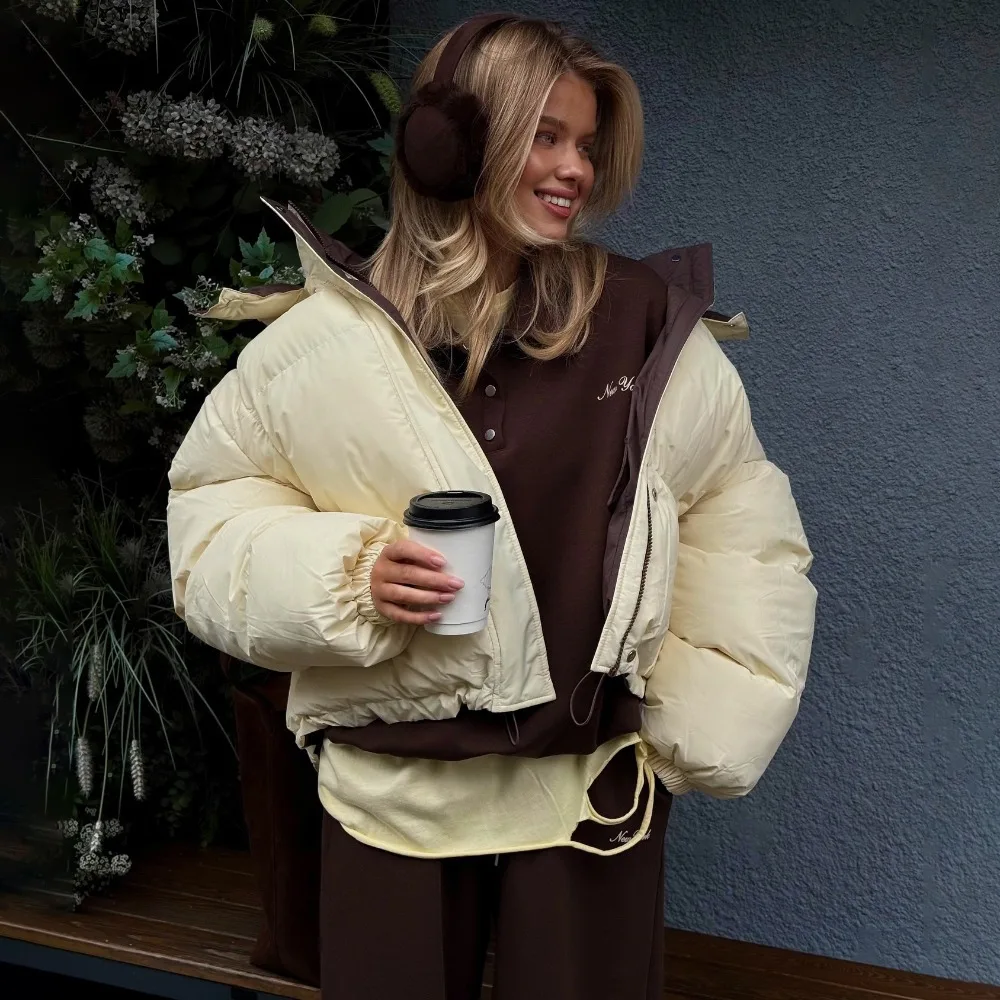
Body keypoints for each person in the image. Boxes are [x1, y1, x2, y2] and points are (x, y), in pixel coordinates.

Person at [166, 12, 817, 1000]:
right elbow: (210, 524)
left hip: (586, 792)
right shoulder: (323, 342)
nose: (574, 172)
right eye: (544, 136)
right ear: (450, 144)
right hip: (395, 793)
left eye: (587, 146)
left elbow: (743, 526)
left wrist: (699, 727)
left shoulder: (642, 324)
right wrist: (347, 573)